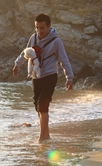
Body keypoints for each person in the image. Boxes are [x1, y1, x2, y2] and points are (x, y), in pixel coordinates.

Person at [13, 13, 74, 143]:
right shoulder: (33, 38)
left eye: (42, 28)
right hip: (36, 76)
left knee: (43, 106)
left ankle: (41, 138)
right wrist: (17, 64)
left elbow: (64, 60)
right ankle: (46, 135)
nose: (39, 31)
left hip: (50, 76)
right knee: (37, 106)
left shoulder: (56, 41)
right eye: (37, 28)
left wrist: (69, 77)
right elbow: (25, 53)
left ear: (49, 26)